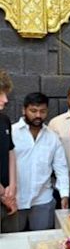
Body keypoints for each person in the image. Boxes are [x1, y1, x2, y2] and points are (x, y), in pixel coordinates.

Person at [8, 93, 69, 231]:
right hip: (14, 200)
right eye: (33, 111)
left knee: (43, 242)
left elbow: (61, 167)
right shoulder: (11, 132)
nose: (38, 116)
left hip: (43, 200)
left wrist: (64, 194)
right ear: (24, 110)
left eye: (42, 111)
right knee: (14, 244)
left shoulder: (52, 137)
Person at [0, 69, 17, 233]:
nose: (5, 100)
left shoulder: (4, 120)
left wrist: (12, 185)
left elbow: (10, 152)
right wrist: (4, 194)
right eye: (0, 94)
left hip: (7, 196)